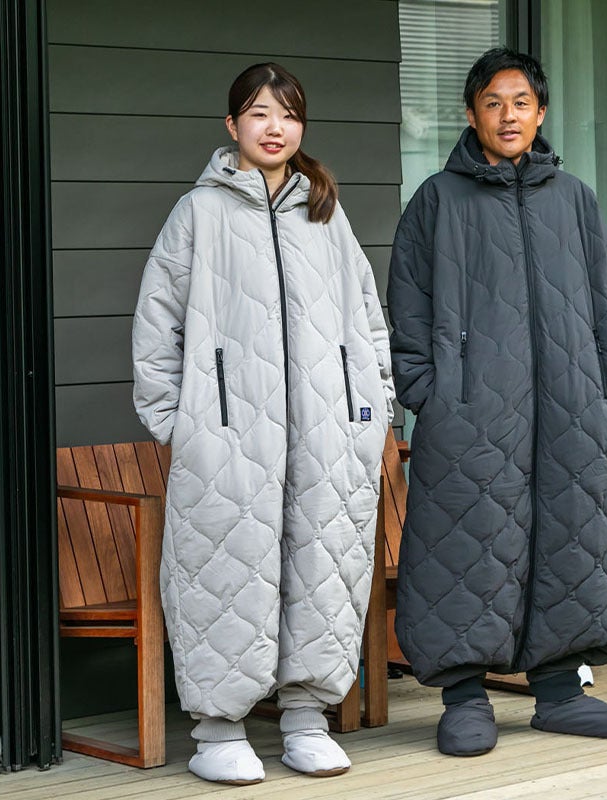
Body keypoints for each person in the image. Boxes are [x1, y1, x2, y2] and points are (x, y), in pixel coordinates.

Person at [131, 62, 394, 785]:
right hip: (226, 439)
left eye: (288, 114)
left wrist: (373, 411)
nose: (275, 128)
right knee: (223, 570)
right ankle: (218, 731)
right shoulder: (199, 213)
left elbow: (367, 318)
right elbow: (157, 324)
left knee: (324, 569)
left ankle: (307, 718)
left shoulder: (326, 213)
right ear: (232, 126)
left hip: (329, 434)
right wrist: (180, 425)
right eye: (258, 113)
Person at [387, 47, 607, 757]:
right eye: (493, 103)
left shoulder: (575, 199)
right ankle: (465, 696)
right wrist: (433, 396)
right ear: (471, 114)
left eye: (521, 102)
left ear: (541, 112)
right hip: (472, 411)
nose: (508, 115)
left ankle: (560, 691)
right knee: (465, 543)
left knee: (576, 536)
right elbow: (406, 309)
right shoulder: (439, 200)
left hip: (576, 406)